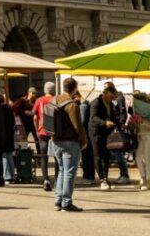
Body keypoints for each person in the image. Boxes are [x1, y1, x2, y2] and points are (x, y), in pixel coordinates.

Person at [49, 77, 88, 211]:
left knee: (61, 170)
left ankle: (58, 200)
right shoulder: (72, 105)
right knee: (69, 172)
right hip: (69, 142)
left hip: (55, 140)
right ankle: (66, 202)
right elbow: (78, 126)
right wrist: (84, 141)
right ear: (74, 89)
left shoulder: (54, 100)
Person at [90, 81, 129, 187]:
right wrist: (104, 122)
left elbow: (113, 117)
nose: (113, 98)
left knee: (106, 156)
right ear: (106, 93)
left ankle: (106, 178)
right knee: (98, 156)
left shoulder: (110, 104)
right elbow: (93, 118)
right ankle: (102, 179)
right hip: (96, 132)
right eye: (111, 96)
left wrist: (119, 123)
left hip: (106, 133)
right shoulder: (96, 102)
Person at [33, 80, 56, 190]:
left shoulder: (39, 100)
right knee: (57, 157)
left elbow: (35, 117)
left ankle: (46, 180)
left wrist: (37, 129)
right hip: (55, 132)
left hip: (42, 131)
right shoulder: (57, 100)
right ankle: (57, 179)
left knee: (44, 157)